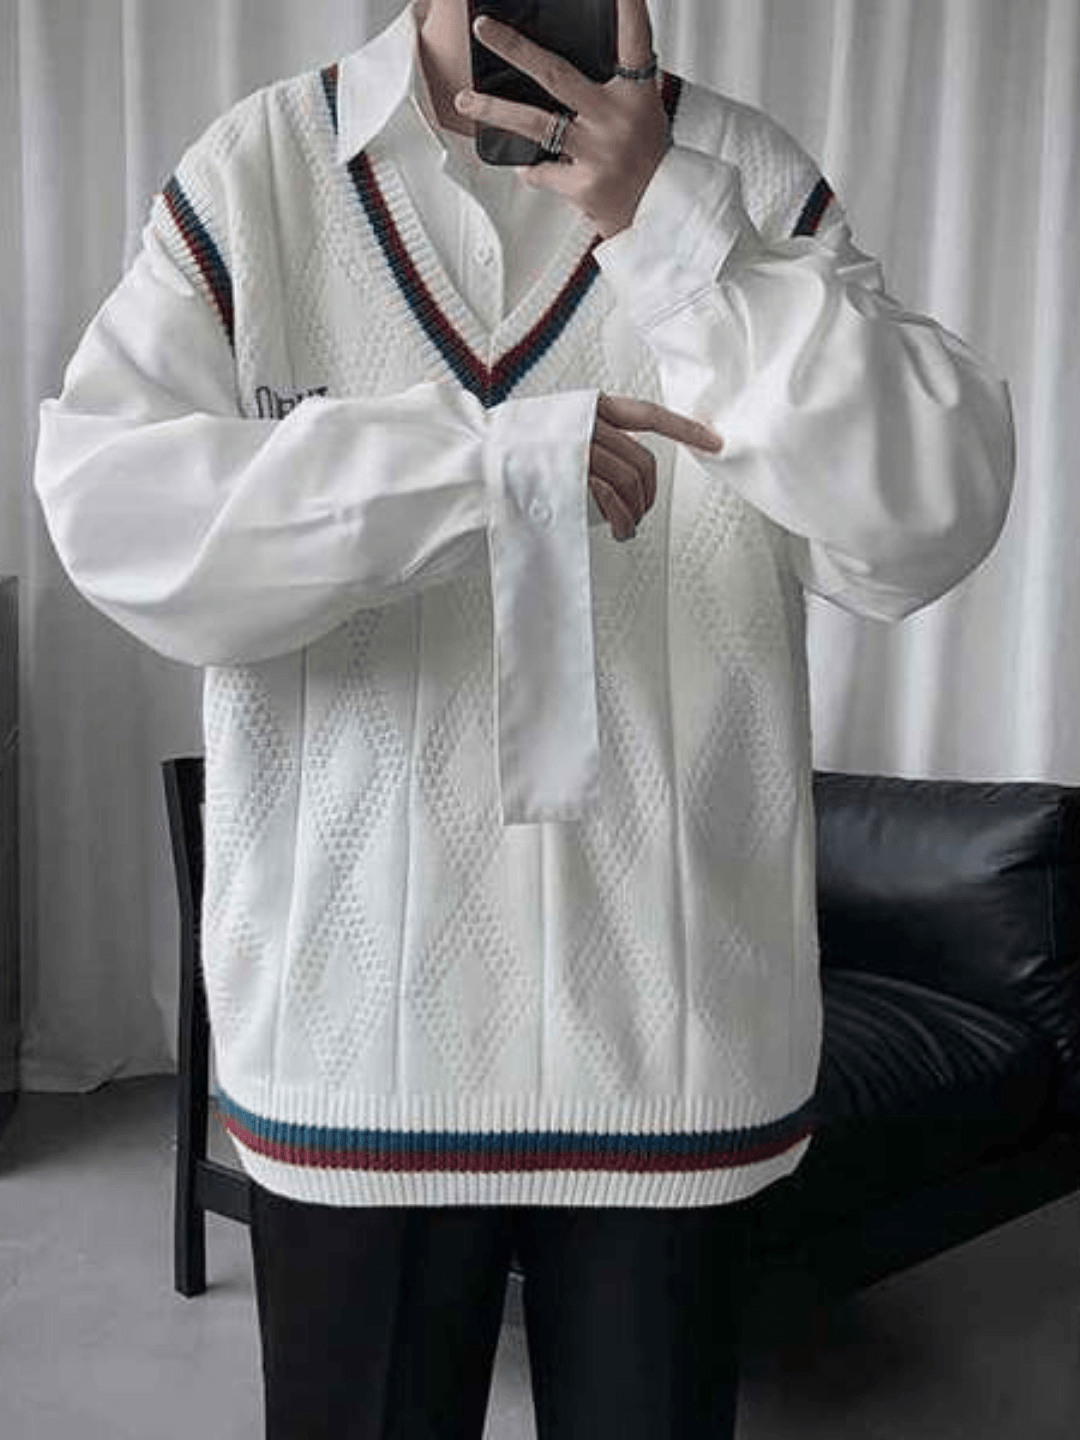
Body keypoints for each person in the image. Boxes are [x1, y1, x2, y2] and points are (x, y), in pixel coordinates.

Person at [33, 0, 1015, 1434]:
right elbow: (115, 517)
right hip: (351, 1045)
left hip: (672, 1051)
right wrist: (477, 469)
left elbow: (923, 522)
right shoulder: (262, 170)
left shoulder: (741, 177)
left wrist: (673, 228)